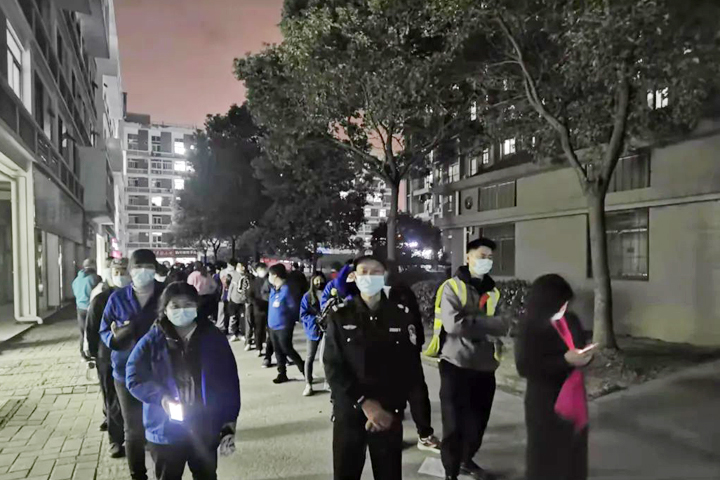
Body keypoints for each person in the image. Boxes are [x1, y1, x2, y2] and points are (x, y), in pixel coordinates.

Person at [125, 282, 241, 480]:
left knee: (206, 476)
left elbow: (229, 381)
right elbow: (133, 377)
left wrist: (229, 422)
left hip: (204, 426)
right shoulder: (153, 339)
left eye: (188, 305)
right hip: (165, 429)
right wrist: (161, 397)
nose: (182, 310)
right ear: (165, 309)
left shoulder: (213, 338)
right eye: (175, 306)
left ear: (197, 306)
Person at [324, 255, 425, 480]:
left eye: (376, 272)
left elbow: (409, 368)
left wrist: (420, 421)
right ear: (354, 276)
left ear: (385, 276)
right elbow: (333, 367)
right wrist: (366, 404)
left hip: (388, 413)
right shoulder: (340, 315)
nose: (369, 277)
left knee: (389, 474)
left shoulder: (400, 315)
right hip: (350, 411)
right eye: (364, 272)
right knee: (345, 473)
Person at [431, 237, 511, 480]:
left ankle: (466, 460)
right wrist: (488, 325)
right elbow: (454, 325)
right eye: (481, 256)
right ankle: (451, 472)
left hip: (485, 366)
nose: (486, 261)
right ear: (468, 257)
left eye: (490, 258)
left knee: (477, 424)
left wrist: (473, 322)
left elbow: (504, 324)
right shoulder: (452, 287)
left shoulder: (494, 291)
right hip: (456, 363)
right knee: (454, 425)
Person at [515, 274, 592, 480]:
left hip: (573, 397)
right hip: (545, 401)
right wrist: (564, 360)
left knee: (573, 454)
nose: (564, 308)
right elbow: (525, 366)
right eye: (560, 303)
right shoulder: (530, 327)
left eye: (566, 303)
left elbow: (579, 346)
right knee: (546, 457)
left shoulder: (571, 320)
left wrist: (585, 356)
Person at [100, 249, 165, 480]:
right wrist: (115, 338)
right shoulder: (117, 298)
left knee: (161, 427)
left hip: (160, 370)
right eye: (138, 267)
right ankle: (138, 475)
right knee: (134, 429)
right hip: (126, 372)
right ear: (130, 270)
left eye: (148, 267)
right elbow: (104, 330)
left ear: (155, 269)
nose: (143, 271)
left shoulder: (166, 294)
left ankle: (164, 473)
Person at [85, 258, 130, 458]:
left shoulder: (138, 298)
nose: (120, 276)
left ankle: (138, 436)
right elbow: (91, 330)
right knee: (113, 400)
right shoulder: (101, 300)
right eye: (116, 272)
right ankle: (116, 440)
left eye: (124, 271)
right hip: (108, 357)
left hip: (135, 356)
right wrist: (94, 356)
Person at [267, 264, 305, 384]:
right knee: (278, 350)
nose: (268, 277)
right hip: (272, 326)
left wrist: (291, 319)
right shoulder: (273, 289)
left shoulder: (287, 289)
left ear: (275, 276)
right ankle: (282, 373)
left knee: (287, 349)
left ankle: (304, 369)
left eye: (270, 275)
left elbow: (293, 307)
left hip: (284, 326)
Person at [300, 272, 327, 396]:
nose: (319, 283)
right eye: (316, 281)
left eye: (321, 280)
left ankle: (328, 382)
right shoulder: (307, 297)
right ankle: (308, 384)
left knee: (327, 358)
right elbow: (303, 315)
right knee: (310, 357)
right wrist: (315, 319)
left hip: (327, 330)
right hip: (313, 330)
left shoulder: (328, 294)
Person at [72, 258, 101, 359]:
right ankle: (92, 352)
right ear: (93, 265)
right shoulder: (95, 278)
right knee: (93, 330)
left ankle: (83, 354)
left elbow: (75, 293)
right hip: (92, 307)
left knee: (82, 331)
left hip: (80, 308)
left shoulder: (76, 280)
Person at [249, 263, 273, 367]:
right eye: (260, 269)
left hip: (270, 308)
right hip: (258, 309)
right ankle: (258, 347)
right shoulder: (254, 282)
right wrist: (255, 303)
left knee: (271, 331)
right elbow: (250, 295)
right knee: (258, 329)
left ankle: (269, 350)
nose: (262, 271)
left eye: (264, 269)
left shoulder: (270, 280)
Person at [228, 262, 251, 343]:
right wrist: (229, 296)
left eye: (243, 266)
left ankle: (241, 333)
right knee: (233, 317)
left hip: (243, 300)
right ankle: (234, 333)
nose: (242, 268)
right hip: (234, 299)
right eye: (240, 266)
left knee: (242, 318)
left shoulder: (247, 276)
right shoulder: (235, 275)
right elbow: (231, 287)